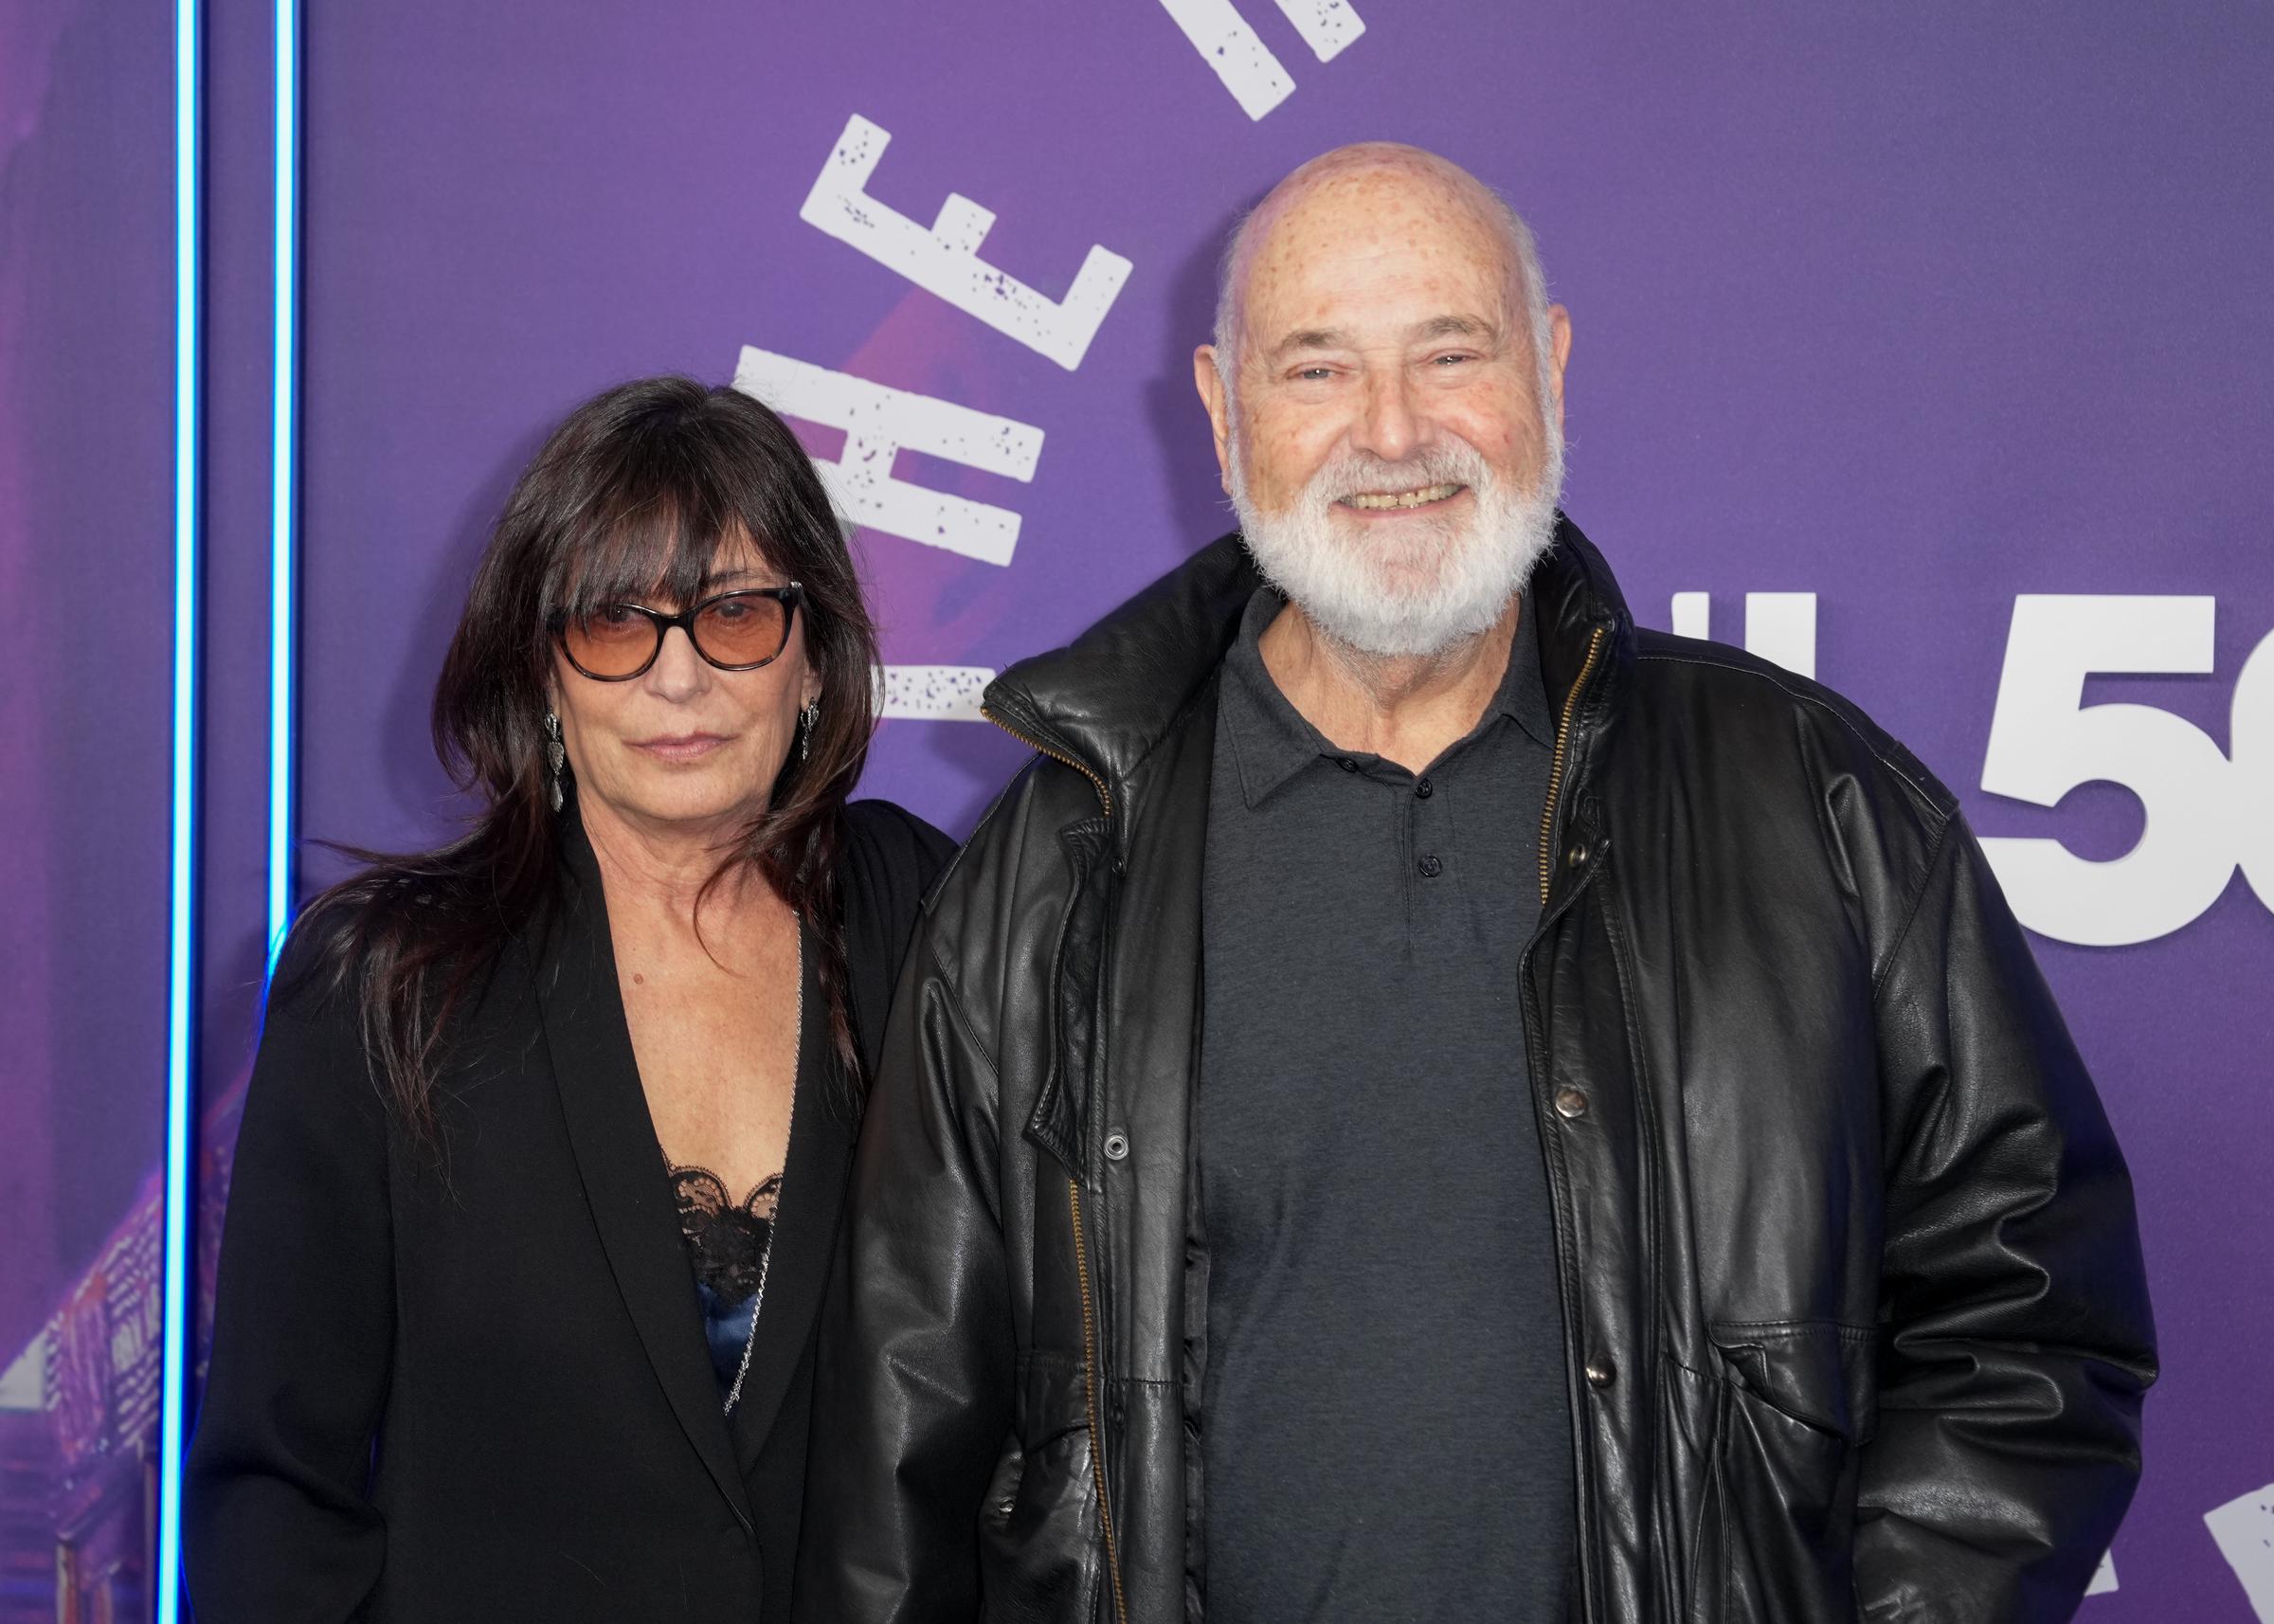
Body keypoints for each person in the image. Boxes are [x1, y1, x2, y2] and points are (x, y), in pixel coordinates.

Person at [793, 145, 2157, 1624]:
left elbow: (2033, 1311)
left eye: (1451, 350)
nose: (1391, 432)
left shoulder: (1814, 800)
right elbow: (907, 1423)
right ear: (1221, 404)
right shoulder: (1055, 868)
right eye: (1316, 368)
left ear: (1550, 366)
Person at [188, 377, 952, 1623]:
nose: (679, 675)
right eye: (613, 621)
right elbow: (276, 1492)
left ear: (813, 661)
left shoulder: (921, 919)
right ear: (543, 670)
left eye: (737, 613)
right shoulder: (384, 986)